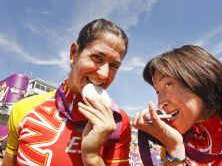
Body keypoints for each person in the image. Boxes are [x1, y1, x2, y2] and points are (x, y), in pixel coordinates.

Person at [3, 18, 131, 166]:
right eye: (97, 57)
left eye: (114, 65)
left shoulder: (119, 122)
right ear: (73, 53)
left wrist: (91, 156)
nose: (104, 74)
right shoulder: (24, 108)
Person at [132, 45, 222, 165]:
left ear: (203, 79)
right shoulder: (179, 139)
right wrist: (174, 148)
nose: (160, 103)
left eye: (169, 84)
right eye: (157, 92)